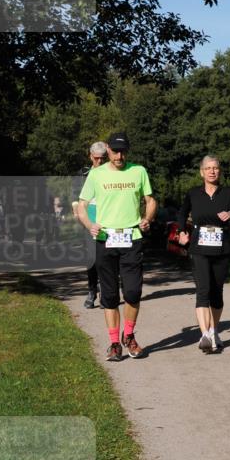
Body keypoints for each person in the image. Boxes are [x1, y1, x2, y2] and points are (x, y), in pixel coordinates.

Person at [76, 132, 157, 361]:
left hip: (132, 237)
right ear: (108, 151)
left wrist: (147, 219)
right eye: (114, 151)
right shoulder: (96, 174)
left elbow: (150, 201)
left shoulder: (138, 171)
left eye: (122, 151)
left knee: (132, 291)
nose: (119, 156)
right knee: (109, 295)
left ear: (127, 151)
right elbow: (82, 205)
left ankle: (129, 336)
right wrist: (89, 224)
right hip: (105, 239)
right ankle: (114, 343)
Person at [176, 155, 230, 352]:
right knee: (203, 290)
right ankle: (204, 335)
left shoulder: (229, 193)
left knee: (217, 292)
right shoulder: (193, 194)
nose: (212, 171)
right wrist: (182, 231)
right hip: (199, 247)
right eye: (208, 168)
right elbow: (181, 214)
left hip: (221, 248)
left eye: (215, 168)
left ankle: (214, 330)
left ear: (219, 171)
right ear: (202, 172)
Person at [72, 141, 108, 308]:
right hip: (88, 221)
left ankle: (105, 292)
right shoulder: (83, 174)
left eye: (102, 158)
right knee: (91, 259)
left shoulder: (112, 173)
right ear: (90, 157)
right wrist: (76, 212)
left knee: (106, 259)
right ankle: (92, 290)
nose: (99, 162)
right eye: (96, 158)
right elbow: (75, 196)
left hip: (107, 220)